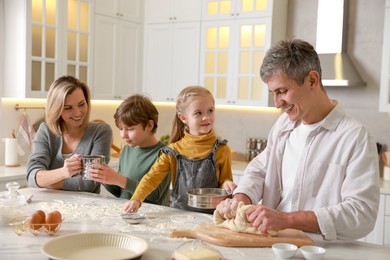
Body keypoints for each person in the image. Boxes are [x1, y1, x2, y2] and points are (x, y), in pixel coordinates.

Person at [216, 39, 380, 241]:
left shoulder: (355, 137)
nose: (277, 103)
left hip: (322, 252)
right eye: (273, 93)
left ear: (312, 80)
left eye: (282, 91)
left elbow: (362, 214)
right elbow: (261, 169)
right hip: (271, 244)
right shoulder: (283, 126)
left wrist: (287, 219)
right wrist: (241, 198)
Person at [124, 86, 237, 213]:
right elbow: (151, 178)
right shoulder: (173, 151)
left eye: (210, 111)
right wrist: (136, 199)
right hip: (179, 217)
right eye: (198, 113)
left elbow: (224, 181)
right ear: (183, 118)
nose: (206, 117)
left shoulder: (222, 149)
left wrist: (227, 184)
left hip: (212, 217)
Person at [26, 75, 112, 194]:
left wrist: (48, 181)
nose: (77, 112)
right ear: (57, 109)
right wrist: (63, 172)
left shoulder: (101, 131)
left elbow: (89, 183)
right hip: (49, 204)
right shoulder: (46, 130)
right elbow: (32, 176)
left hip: (87, 207)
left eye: (81, 104)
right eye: (68, 108)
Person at [87, 94, 171, 206]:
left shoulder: (164, 154)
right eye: (121, 129)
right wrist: (105, 178)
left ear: (149, 125)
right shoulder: (127, 150)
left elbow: (155, 196)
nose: (123, 135)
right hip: (127, 215)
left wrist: (118, 179)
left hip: (151, 219)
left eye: (130, 129)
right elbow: (121, 192)